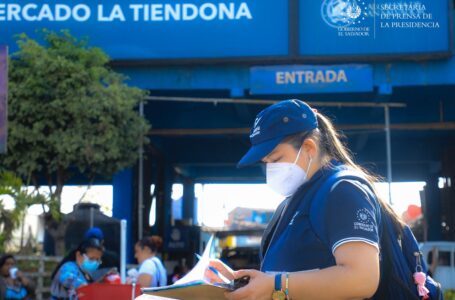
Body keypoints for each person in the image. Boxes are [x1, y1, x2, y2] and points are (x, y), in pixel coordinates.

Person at [206, 99, 406, 299]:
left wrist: (276, 285)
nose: (271, 170)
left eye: (275, 159)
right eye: (266, 163)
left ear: (309, 147)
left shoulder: (342, 190)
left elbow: (362, 279)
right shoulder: (297, 199)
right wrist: (243, 282)